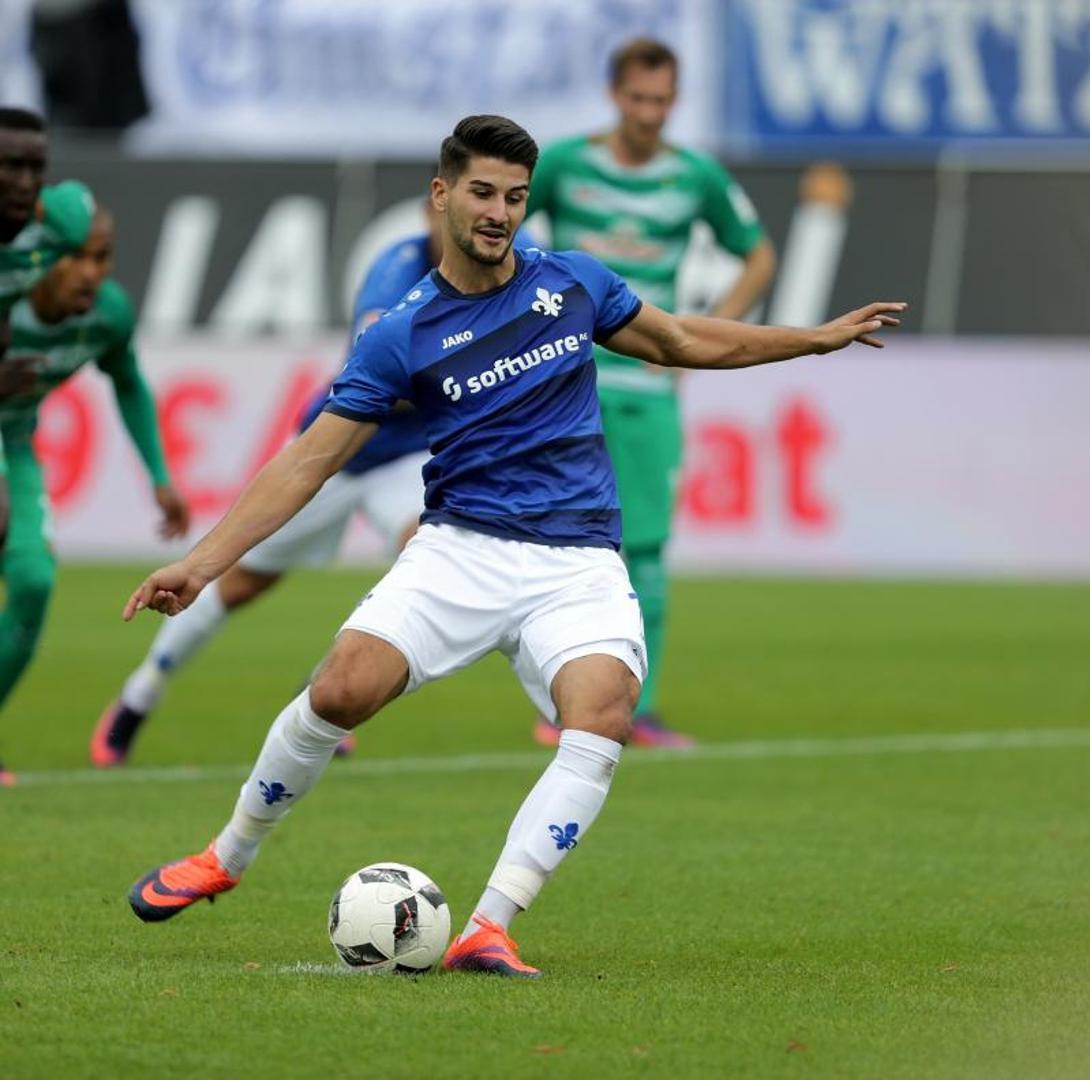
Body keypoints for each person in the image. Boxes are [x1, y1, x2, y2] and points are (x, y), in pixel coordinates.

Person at [122, 115, 902, 977]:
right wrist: (200, 564)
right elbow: (308, 460)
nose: (500, 212)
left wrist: (813, 338)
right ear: (442, 195)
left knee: (603, 712)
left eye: (516, 197)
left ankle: (488, 927)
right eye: (484, 193)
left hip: (578, 560)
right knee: (339, 689)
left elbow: (682, 339)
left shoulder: (573, 283)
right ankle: (226, 856)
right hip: (462, 550)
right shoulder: (401, 332)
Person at [90, 214, 442, 767]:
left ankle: (329, 682)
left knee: (430, 553)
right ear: (437, 204)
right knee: (239, 585)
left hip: (409, 459)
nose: (494, 217)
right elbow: (378, 373)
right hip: (336, 449)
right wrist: (463, 373)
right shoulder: (397, 270)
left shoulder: (508, 266)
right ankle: (140, 695)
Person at [525, 38, 777, 749]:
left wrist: (703, 335)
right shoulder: (565, 164)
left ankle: (642, 708)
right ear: (615, 95)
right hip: (566, 383)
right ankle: (559, 702)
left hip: (646, 386)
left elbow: (758, 255)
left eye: (661, 101)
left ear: (675, 101)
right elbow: (499, 230)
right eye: (637, 99)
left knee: (647, 552)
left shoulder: (696, 176)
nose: (648, 113)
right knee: (558, 545)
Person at [0, 206, 187, 785]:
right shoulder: (8, 296)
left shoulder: (107, 314)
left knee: (33, 581)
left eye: (101, 257)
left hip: (14, 444)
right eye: (75, 257)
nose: (91, 272)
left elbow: (127, 382)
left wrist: (159, 475)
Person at [0, 105, 95, 783]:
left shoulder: (53, 227)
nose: (24, 181)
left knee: (31, 579)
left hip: (13, 433)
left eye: (35, 167)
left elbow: (78, 213)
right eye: (9, 166)